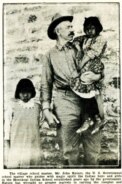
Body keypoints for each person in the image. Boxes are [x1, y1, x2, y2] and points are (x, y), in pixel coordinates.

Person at [40, 13, 103, 166]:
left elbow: (97, 66)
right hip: (65, 100)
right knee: (69, 150)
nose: (72, 29)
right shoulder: (49, 56)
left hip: (90, 97)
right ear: (58, 31)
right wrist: (46, 110)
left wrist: (97, 76)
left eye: (72, 26)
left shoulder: (81, 46)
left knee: (93, 149)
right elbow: (45, 83)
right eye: (68, 27)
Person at [70, 16, 107, 135]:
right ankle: (93, 118)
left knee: (85, 83)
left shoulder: (100, 39)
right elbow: (75, 40)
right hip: (87, 66)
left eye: (92, 28)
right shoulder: (84, 38)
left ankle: (94, 118)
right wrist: (77, 46)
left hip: (93, 65)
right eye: (87, 28)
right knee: (84, 92)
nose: (89, 31)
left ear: (97, 29)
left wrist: (79, 67)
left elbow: (90, 55)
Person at [4, 79, 41, 168]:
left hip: (33, 144)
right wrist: (7, 144)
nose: (25, 95)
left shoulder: (37, 107)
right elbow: (7, 126)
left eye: (28, 92)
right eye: (22, 92)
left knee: (33, 165)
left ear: (32, 92)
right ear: (18, 93)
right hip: (17, 144)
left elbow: (39, 123)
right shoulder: (12, 107)